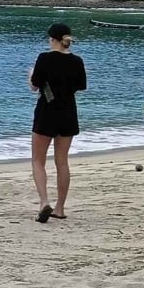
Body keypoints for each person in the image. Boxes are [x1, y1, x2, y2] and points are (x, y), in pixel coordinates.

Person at [29, 22, 87, 223]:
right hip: (68, 112)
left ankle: (44, 201)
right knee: (62, 160)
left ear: (52, 39)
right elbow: (81, 86)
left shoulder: (44, 58)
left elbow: (35, 86)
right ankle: (60, 207)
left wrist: (30, 76)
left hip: (47, 110)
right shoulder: (77, 61)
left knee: (38, 159)